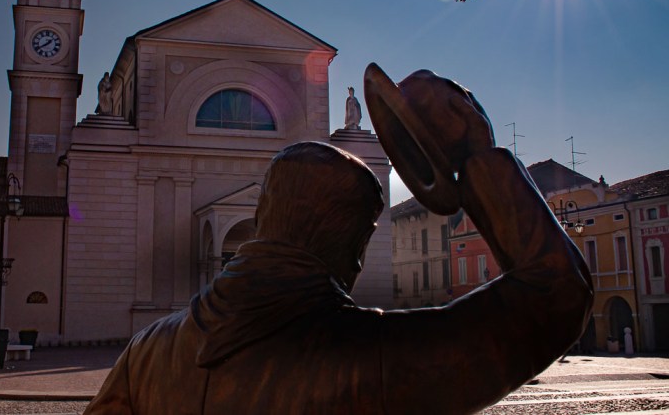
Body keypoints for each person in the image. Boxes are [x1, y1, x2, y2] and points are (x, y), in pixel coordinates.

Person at [84, 65, 593, 415]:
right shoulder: (376, 357)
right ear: (352, 245)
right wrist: (480, 156)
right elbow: (556, 297)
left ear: (262, 217)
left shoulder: (145, 353)